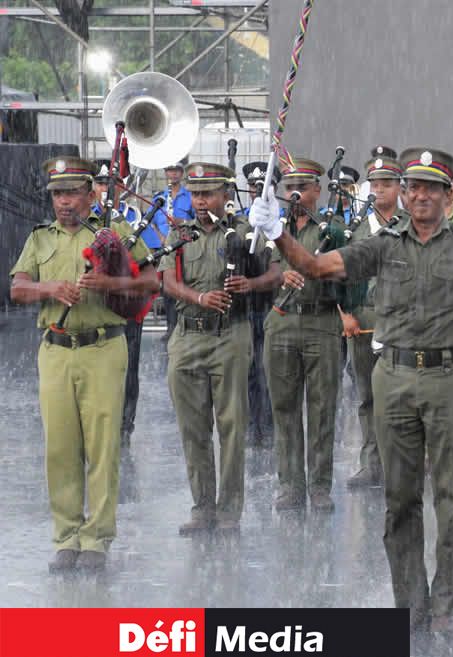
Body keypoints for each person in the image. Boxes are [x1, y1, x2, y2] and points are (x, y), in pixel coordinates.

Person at [248, 146, 453, 633]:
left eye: (431, 187)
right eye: (413, 187)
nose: (420, 196)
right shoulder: (383, 244)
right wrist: (277, 233)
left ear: (448, 194)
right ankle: (410, 603)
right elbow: (318, 267)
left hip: (450, 377)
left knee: (451, 497)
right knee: (399, 496)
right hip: (391, 376)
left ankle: (445, 607)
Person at [9, 156, 158, 573]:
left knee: (102, 448)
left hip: (103, 349)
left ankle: (96, 539)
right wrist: (48, 288)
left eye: (72, 192)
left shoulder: (115, 233)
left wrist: (110, 283)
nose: (64, 202)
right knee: (60, 449)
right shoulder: (40, 238)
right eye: (58, 193)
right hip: (54, 351)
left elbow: (152, 281)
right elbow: (18, 288)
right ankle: (66, 537)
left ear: (92, 193)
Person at [162, 162, 278, 535]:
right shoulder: (180, 235)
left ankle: (229, 511)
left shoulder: (247, 233)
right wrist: (197, 296)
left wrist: (252, 283)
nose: (199, 201)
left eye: (207, 193)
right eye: (195, 194)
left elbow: (276, 272)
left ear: (227, 195)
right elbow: (164, 278)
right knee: (192, 428)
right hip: (187, 336)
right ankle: (202, 508)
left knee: (231, 426)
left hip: (230, 335)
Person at [264, 158, 345, 512]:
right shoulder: (271, 227)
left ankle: (320, 486)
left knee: (322, 408)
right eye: (288, 186)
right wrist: (280, 274)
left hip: (321, 324)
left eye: (302, 185)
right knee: (284, 409)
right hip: (282, 323)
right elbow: (257, 271)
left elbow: (344, 271)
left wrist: (313, 271)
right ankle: (289, 485)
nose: (293, 192)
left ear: (317, 190)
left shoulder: (334, 228)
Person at [342, 149, 405, 490]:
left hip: (403, 321)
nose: (380, 190)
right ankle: (371, 462)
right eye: (375, 184)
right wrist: (345, 313)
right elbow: (342, 274)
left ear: (399, 187)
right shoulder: (357, 228)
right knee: (367, 394)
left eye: (387, 184)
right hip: (364, 319)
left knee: (404, 394)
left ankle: (403, 461)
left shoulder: (412, 226)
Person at [89, 162, 145, 449]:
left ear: (122, 188)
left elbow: (145, 259)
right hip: (97, 304)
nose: (105, 190)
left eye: (110, 184)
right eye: (100, 184)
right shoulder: (86, 219)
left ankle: (125, 423)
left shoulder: (134, 217)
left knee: (129, 365)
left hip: (127, 300)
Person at [240, 159, 281, 449]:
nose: (258, 193)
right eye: (254, 189)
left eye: (264, 187)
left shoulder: (281, 224)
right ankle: (250, 424)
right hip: (245, 308)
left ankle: (267, 427)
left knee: (268, 370)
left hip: (271, 306)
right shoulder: (241, 223)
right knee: (247, 369)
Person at [157, 156, 194, 344]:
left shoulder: (190, 196)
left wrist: (184, 222)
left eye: (177, 170)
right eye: (169, 170)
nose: (173, 173)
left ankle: (183, 323)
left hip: (184, 247)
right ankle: (170, 325)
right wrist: (161, 237)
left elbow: (197, 222)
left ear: (182, 173)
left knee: (185, 283)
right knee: (167, 288)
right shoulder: (159, 198)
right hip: (165, 248)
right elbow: (152, 223)